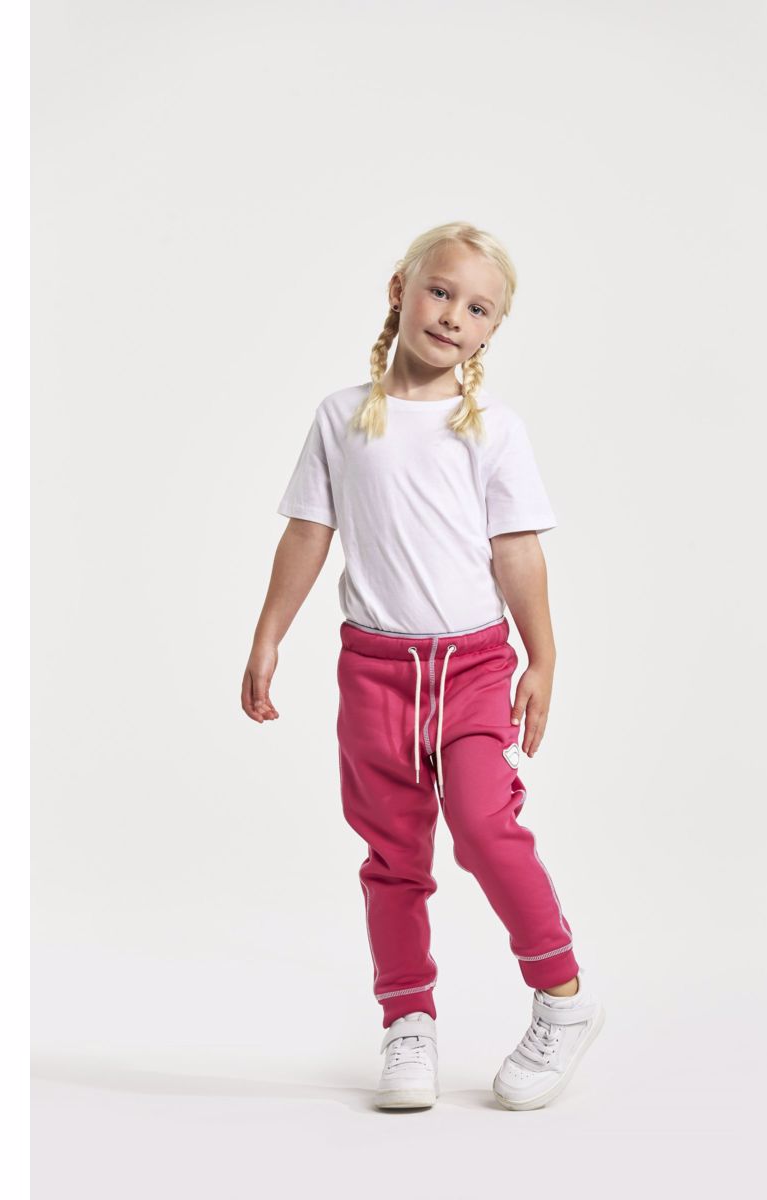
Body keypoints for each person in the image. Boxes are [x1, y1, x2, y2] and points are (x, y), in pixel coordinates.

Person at [242, 222, 605, 1111]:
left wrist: (543, 657)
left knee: (483, 827)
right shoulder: (340, 418)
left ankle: (563, 1000)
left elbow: (517, 551)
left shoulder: (493, 431)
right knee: (393, 857)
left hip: (473, 668)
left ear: (491, 332)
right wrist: (268, 635)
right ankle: (407, 1021)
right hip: (375, 672)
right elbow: (308, 533)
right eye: (440, 292)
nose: (452, 315)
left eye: (477, 308)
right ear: (400, 290)